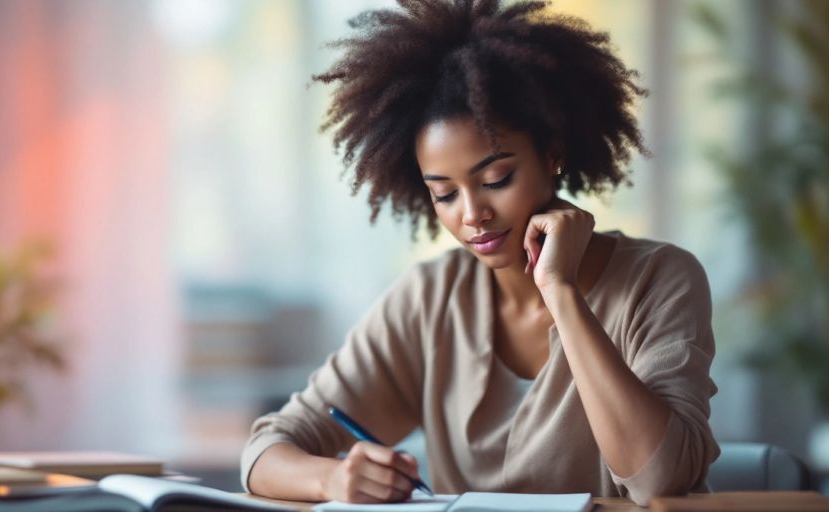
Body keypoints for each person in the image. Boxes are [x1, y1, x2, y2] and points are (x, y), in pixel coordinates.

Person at [240, 0, 719, 506]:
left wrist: (561, 291)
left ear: (553, 153)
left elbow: (659, 479)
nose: (472, 215)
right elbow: (264, 451)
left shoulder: (660, 279)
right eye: (444, 194)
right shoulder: (429, 299)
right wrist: (330, 479)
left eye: (496, 179)